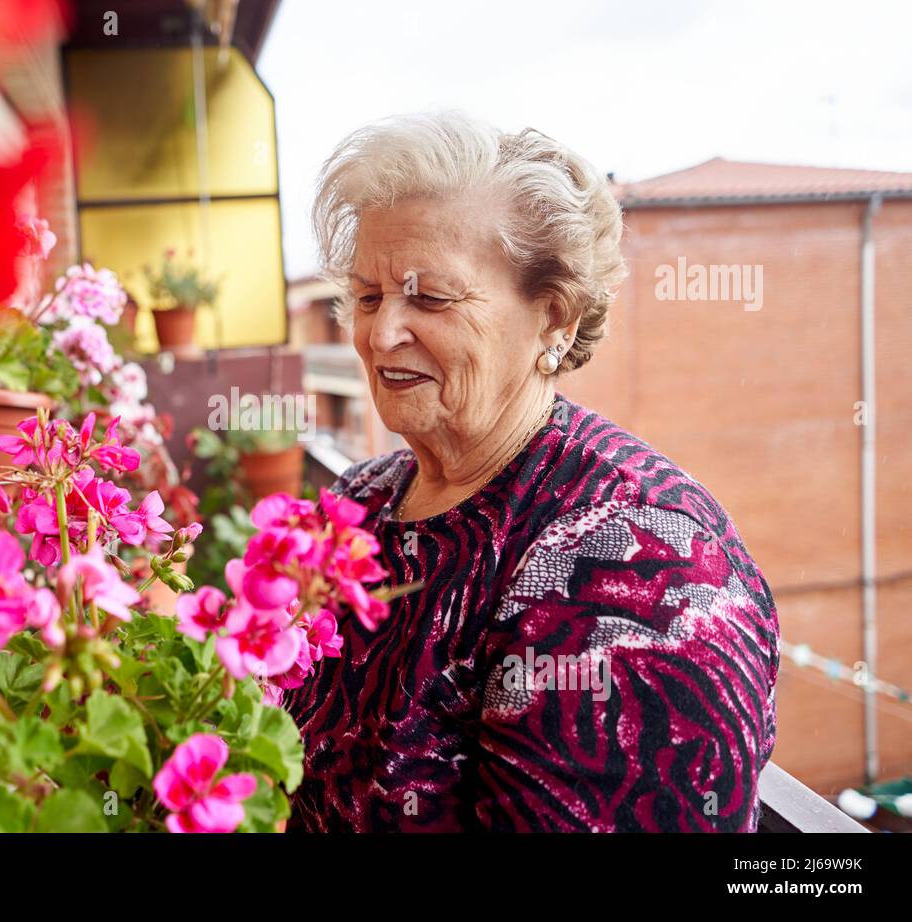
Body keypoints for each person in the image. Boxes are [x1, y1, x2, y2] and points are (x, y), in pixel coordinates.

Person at [282, 112, 780, 832]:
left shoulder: (644, 568)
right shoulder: (358, 501)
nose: (381, 332)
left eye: (430, 297)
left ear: (555, 318)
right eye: (366, 296)